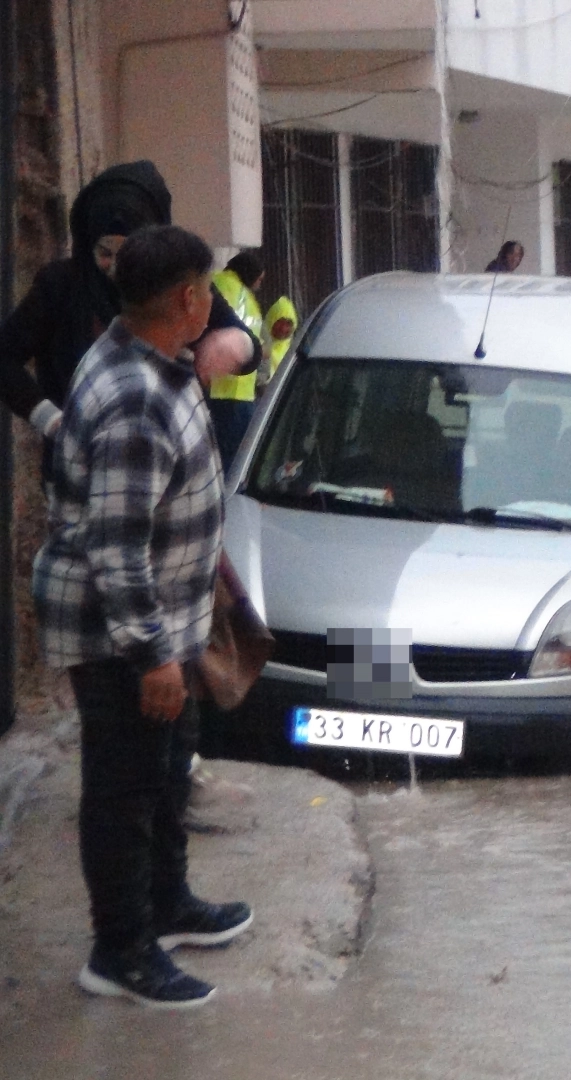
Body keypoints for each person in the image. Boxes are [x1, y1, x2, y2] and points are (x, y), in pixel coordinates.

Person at [35, 225, 251, 1010]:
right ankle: (118, 949)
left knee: (164, 775)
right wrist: (154, 657)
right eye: (209, 289)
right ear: (189, 299)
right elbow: (117, 549)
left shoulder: (153, 357)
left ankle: (167, 905)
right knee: (123, 788)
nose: (216, 303)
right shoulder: (133, 399)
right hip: (124, 631)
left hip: (171, 618)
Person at [0, 161, 260, 447]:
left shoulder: (179, 281)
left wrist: (235, 343)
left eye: (129, 252)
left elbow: (247, 347)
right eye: (105, 252)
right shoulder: (60, 286)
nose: (117, 268)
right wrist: (51, 420)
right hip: (88, 458)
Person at [209, 250, 265, 467]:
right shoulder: (245, 297)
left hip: (217, 388)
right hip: (237, 392)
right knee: (233, 464)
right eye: (259, 279)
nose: (259, 285)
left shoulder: (217, 284)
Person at [263, 294, 299, 382]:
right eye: (280, 322)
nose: (283, 328)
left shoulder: (295, 352)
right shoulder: (258, 347)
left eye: (288, 324)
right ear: (271, 321)